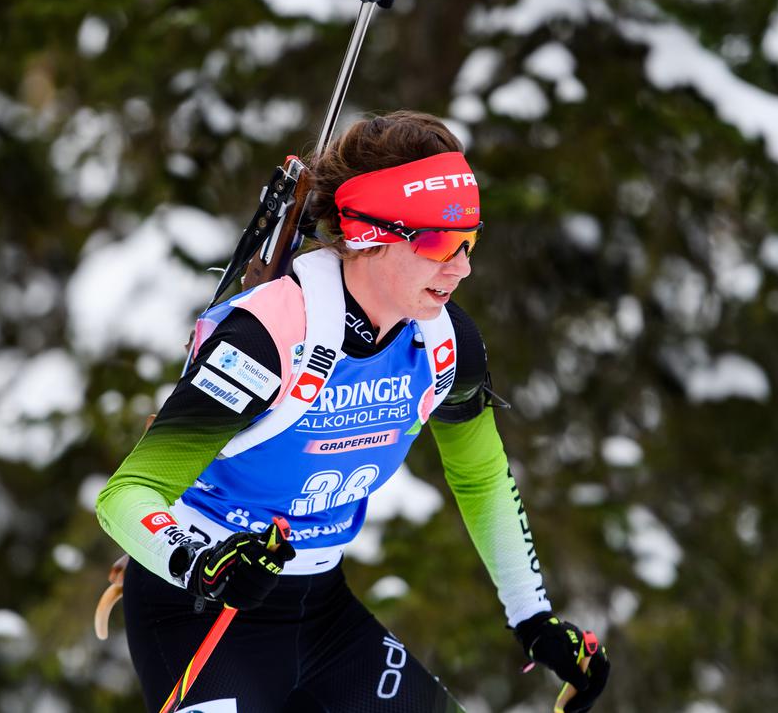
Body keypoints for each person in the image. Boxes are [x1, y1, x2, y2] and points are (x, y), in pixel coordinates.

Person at [96, 110, 610, 712]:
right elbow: (125, 495)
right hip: (201, 611)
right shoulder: (270, 338)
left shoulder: (445, 345)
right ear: (369, 236)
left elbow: (481, 477)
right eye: (439, 242)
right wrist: (200, 563)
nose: (462, 266)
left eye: (469, 240)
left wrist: (533, 617)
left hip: (321, 610)